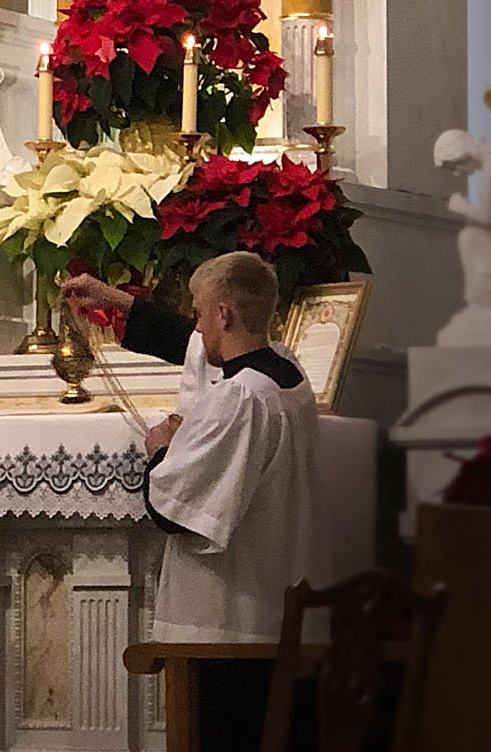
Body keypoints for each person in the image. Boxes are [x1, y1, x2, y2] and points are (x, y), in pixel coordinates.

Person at [62, 254, 320, 752]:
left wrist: (161, 448)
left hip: (226, 623)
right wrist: (119, 301)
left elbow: (175, 508)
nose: (197, 327)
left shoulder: (239, 400)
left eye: (201, 312)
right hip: (273, 610)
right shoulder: (287, 372)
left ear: (223, 315)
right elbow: (200, 346)